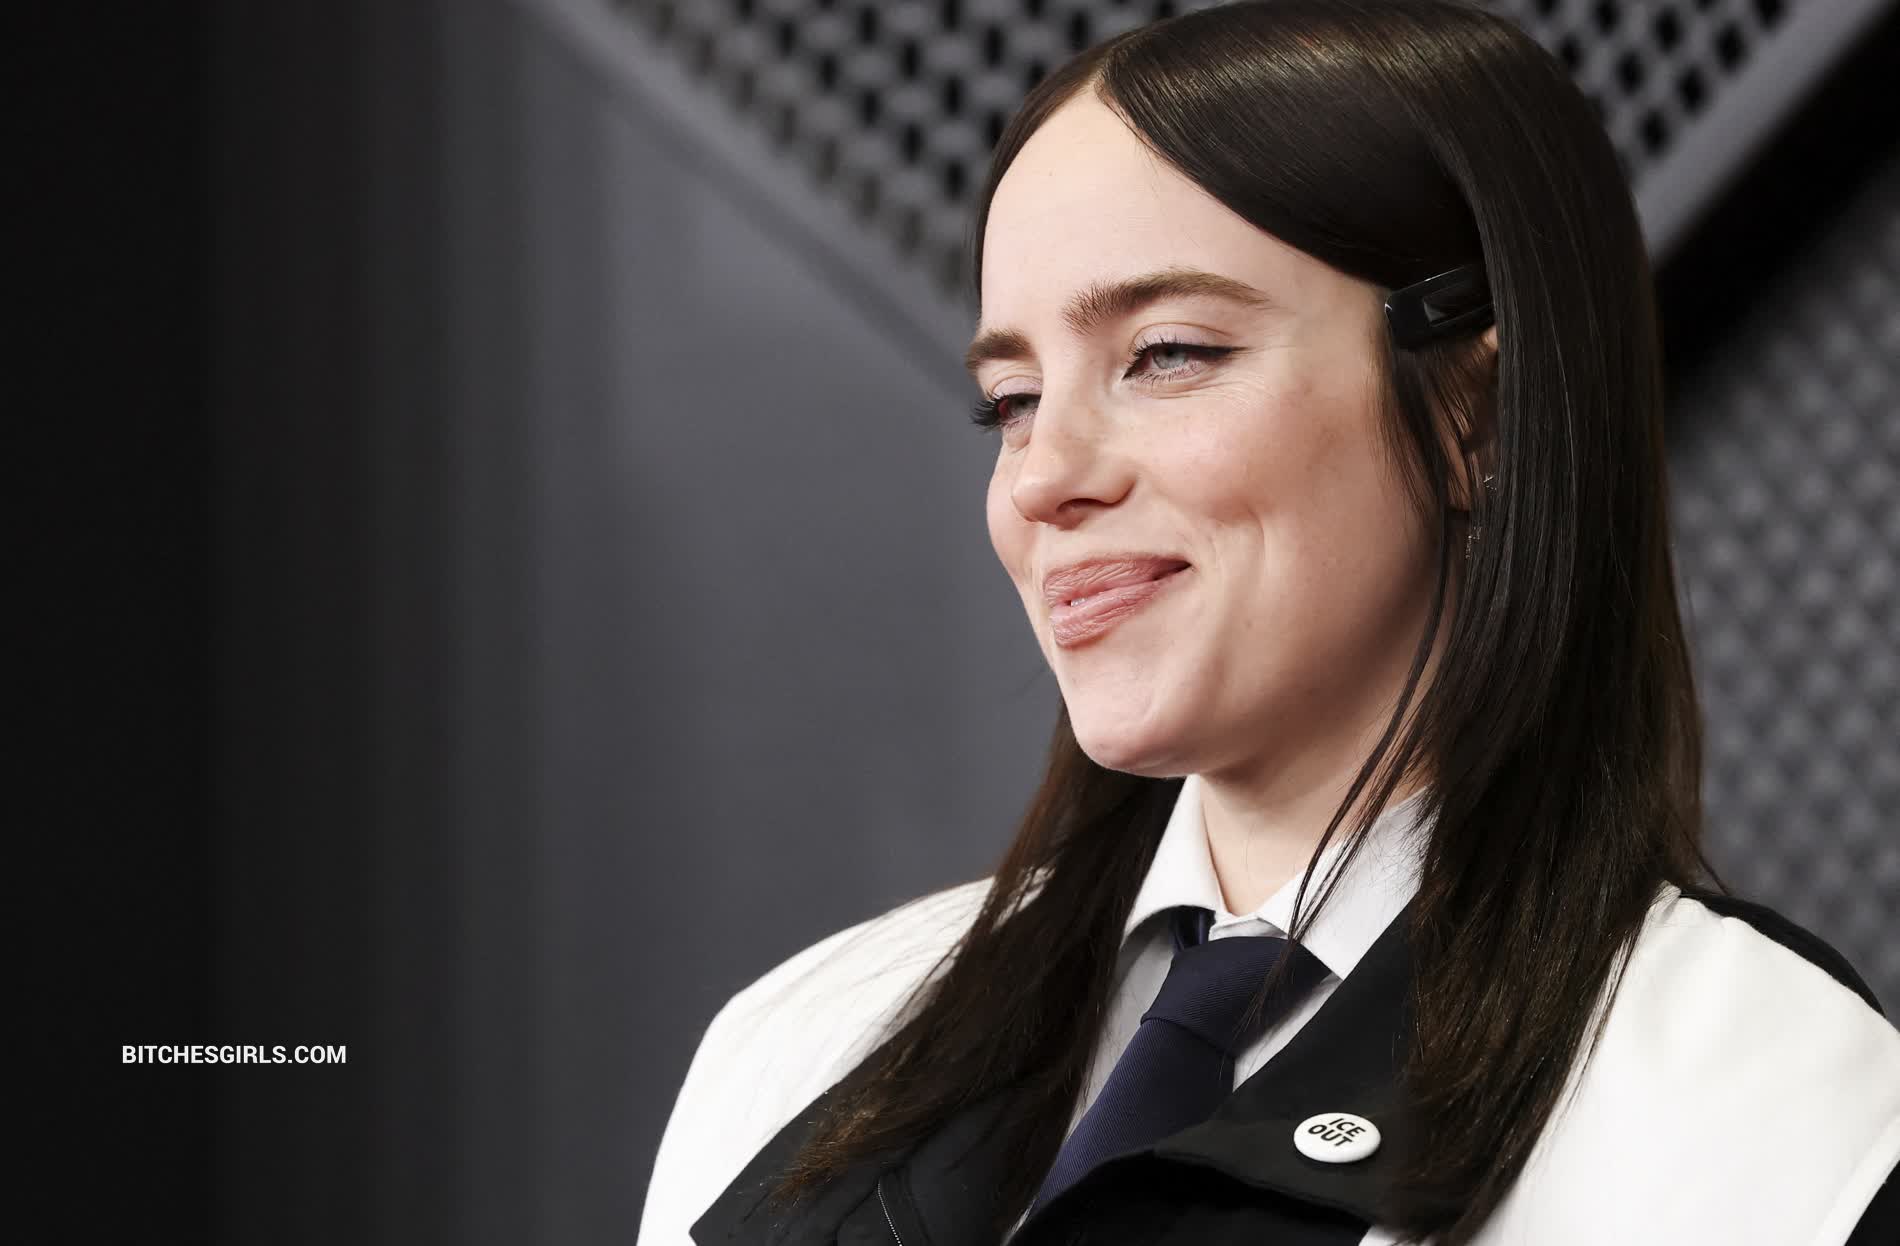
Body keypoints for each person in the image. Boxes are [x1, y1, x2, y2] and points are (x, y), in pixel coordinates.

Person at [637, 2, 1900, 1242]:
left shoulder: (1775, 1121)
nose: (1041, 477)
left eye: (1168, 353)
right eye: (1012, 400)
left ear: (1479, 414)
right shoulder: (806, 1046)